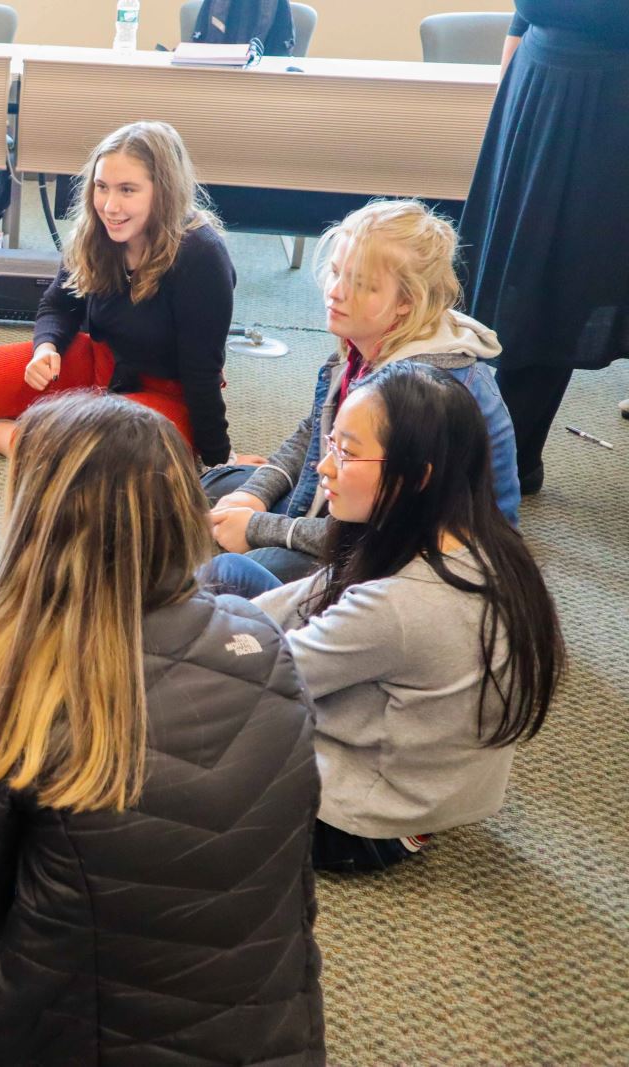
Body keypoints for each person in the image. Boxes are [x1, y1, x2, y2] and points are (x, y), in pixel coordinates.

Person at [0, 392, 324, 1065]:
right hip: (273, 1044)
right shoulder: (263, 638)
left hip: (62, 1039)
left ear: (39, 523)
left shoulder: (15, 687)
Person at [207, 363, 565, 872]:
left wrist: (175, 648)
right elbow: (304, 596)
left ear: (416, 477)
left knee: (161, 743)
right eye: (331, 443)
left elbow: (253, 676)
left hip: (356, 821)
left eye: (347, 453)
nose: (323, 468)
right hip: (416, 769)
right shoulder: (466, 536)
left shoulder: (400, 605)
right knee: (231, 573)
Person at [206, 199, 519, 583]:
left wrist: (260, 528)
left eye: (360, 284)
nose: (335, 292)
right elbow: (315, 431)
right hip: (354, 500)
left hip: (413, 555)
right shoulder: (367, 338)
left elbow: (385, 533)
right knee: (215, 489)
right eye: (336, 273)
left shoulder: (424, 393)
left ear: (407, 301)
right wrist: (254, 495)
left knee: (242, 573)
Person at [0, 121, 236, 465]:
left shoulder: (201, 255)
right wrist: (45, 347)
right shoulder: (95, 231)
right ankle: (15, 391)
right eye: (101, 187)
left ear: (163, 191)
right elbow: (59, 304)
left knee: (97, 464)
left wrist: (221, 461)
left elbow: (202, 374)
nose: (109, 206)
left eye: (127, 190)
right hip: (100, 363)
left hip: (165, 393)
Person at [459, 1, 629, 494]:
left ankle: (512, 455)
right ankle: (496, 442)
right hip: (533, 90)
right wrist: (506, 100)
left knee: (562, 281)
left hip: (611, 107)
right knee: (501, 270)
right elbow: (524, 12)